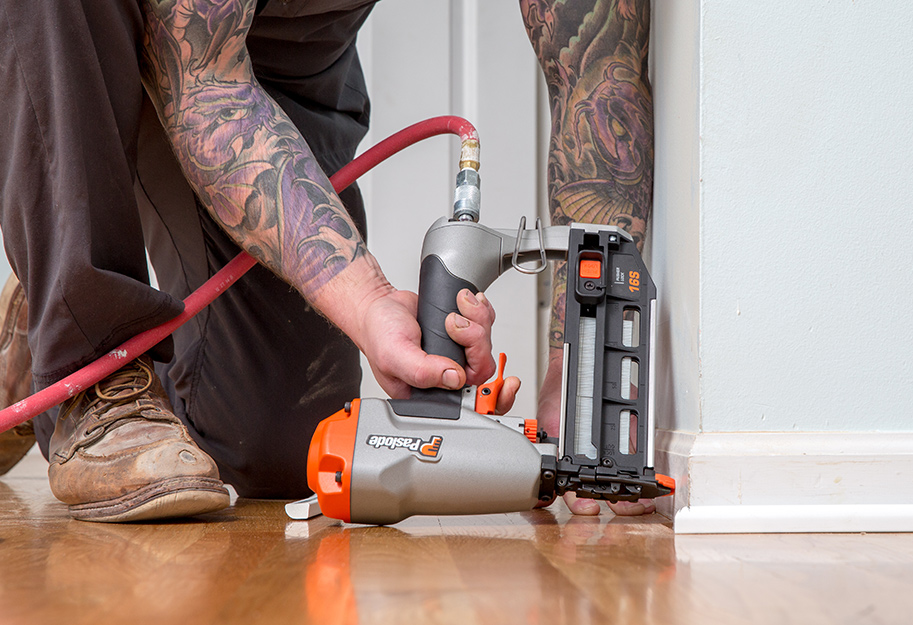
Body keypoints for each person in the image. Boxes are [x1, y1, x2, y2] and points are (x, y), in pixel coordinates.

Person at [0, 0, 653, 521]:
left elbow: (596, 70)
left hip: (276, 75)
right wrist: (366, 298)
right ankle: (91, 350)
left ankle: (47, 309)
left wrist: (580, 358)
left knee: (275, 449)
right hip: (116, 41)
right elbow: (205, 85)